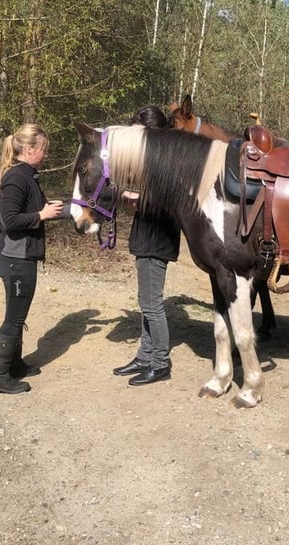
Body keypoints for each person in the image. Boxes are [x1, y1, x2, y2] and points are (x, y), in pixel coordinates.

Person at [0, 123, 69, 395]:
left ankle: (14, 365)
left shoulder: (28, 175)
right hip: (15, 259)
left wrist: (73, 209)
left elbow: (36, 211)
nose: (45, 155)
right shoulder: (16, 177)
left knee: (18, 317)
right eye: (43, 150)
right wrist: (42, 216)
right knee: (13, 318)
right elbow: (9, 220)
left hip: (21, 257)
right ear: (30, 149)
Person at [112, 106, 181, 386]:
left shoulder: (167, 163)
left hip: (156, 240)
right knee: (146, 303)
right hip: (147, 238)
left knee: (153, 305)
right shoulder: (155, 161)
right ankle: (145, 355)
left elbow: (167, 202)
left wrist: (135, 196)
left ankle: (160, 363)